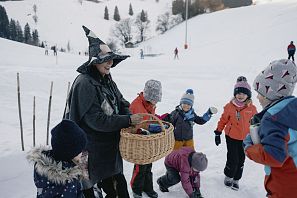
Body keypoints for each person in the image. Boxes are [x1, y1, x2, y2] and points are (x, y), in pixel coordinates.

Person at [64, 26, 143, 198]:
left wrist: (128, 114)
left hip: (108, 148)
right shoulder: (85, 83)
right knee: (90, 191)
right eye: (107, 59)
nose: (111, 63)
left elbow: (121, 101)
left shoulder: (106, 78)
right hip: (89, 151)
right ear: (94, 62)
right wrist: (127, 121)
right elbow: (96, 120)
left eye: (112, 59)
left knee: (119, 190)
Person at [244, 59, 297, 198]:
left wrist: (248, 148)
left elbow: (274, 156)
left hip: (285, 186)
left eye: (260, 93)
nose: (257, 97)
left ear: (271, 93)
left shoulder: (272, 117)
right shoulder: (292, 108)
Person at [214, 76, 257, 190]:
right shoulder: (229, 107)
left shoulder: (251, 108)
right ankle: (228, 175)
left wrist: (257, 138)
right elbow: (223, 120)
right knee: (233, 158)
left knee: (241, 159)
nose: (240, 95)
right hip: (231, 137)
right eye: (238, 93)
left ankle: (236, 179)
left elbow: (256, 124)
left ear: (248, 95)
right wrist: (218, 132)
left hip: (245, 139)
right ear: (234, 94)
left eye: (243, 93)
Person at [27, 119, 88, 198]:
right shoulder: (62, 181)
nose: (82, 153)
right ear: (68, 153)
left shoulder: (69, 168)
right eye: (79, 150)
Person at [129, 80, 162, 198]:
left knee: (148, 165)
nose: (156, 102)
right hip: (138, 140)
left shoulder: (150, 104)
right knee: (140, 166)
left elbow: (151, 119)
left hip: (147, 140)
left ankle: (148, 187)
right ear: (149, 96)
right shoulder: (136, 105)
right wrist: (149, 127)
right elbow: (134, 125)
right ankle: (136, 189)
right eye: (155, 99)